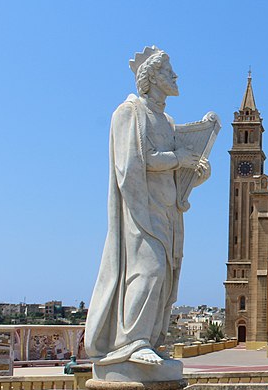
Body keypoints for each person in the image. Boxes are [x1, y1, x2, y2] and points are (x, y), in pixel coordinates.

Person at [86, 47, 211, 367]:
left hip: (168, 212)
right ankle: (131, 340)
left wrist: (195, 175)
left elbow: (171, 174)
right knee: (149, 271)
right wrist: (178, 159)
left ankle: (150, 339)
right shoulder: (129, 112)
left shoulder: (167, 121)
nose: (175, 76)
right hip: (141, 211)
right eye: (169, 71)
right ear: (153, 77)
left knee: (165, 277)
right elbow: (130, 165)